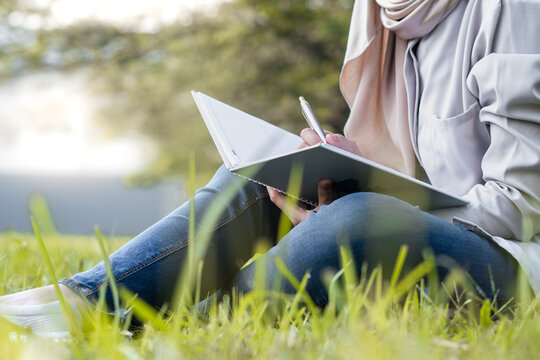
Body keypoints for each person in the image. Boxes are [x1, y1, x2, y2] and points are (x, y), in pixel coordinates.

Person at [1, 0, 539, 337]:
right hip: (417, 225)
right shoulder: (387, 11)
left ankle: (170, 320)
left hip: (513, 262)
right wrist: (351, 168)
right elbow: (419, 172)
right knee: (264, 175)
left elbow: (521, 209)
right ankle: (86, 297)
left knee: (356, 222)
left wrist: (357, 208)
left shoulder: (513, 9)